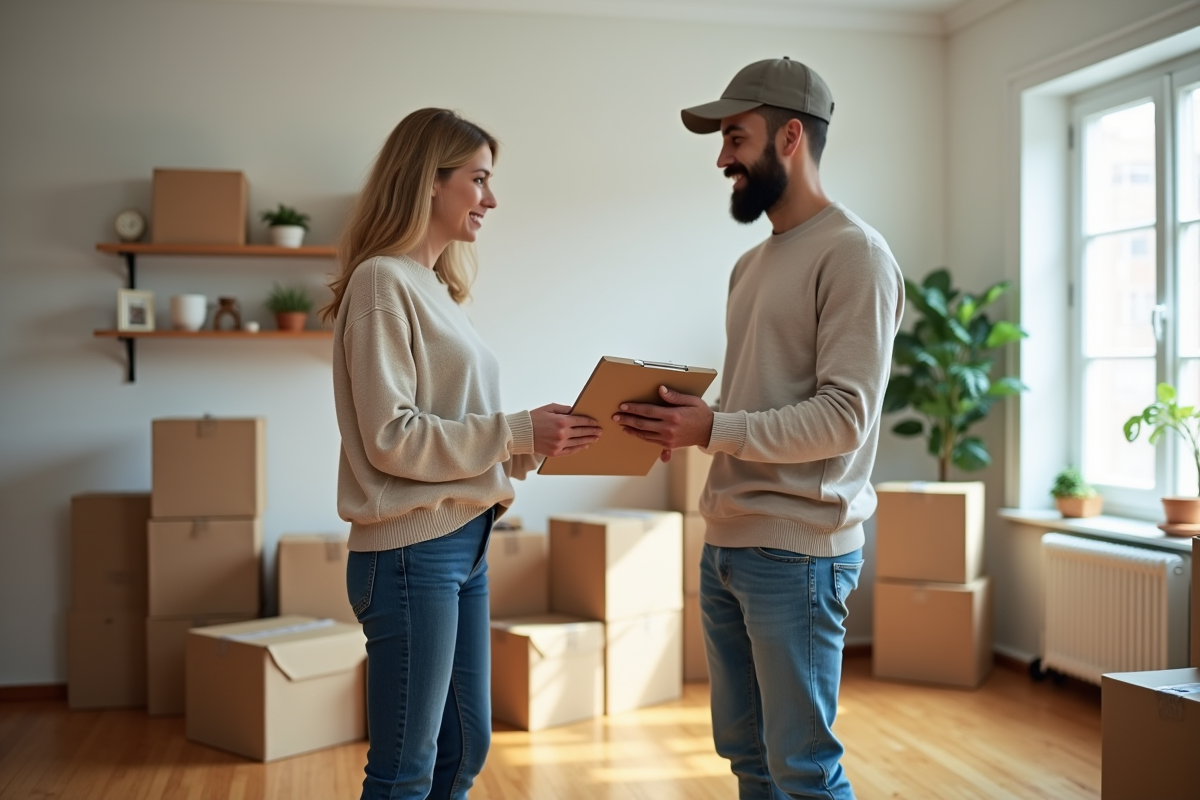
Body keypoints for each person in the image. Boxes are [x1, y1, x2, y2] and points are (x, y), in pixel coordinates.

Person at [614, 58, 904, 799]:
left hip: (799, 555)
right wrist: (682, 418)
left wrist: (714, 428)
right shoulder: (750, 265)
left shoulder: (856, 255)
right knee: (749, 758)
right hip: (728, 544)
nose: (721, 158)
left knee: (803, 770)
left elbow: (843, 418)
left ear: (791, 136)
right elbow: (760, 399)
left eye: (735, 137)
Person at [322, 107, 602, 800]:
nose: (491, 199)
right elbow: (392, 438)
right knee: (406, 766)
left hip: (463, 543)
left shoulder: (439, 290)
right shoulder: (381, 283)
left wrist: (539, 442)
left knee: (462, 748)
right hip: (413, 553)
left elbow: (456, 430)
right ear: (428, 181)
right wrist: (514, 431)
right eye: (478, 180)